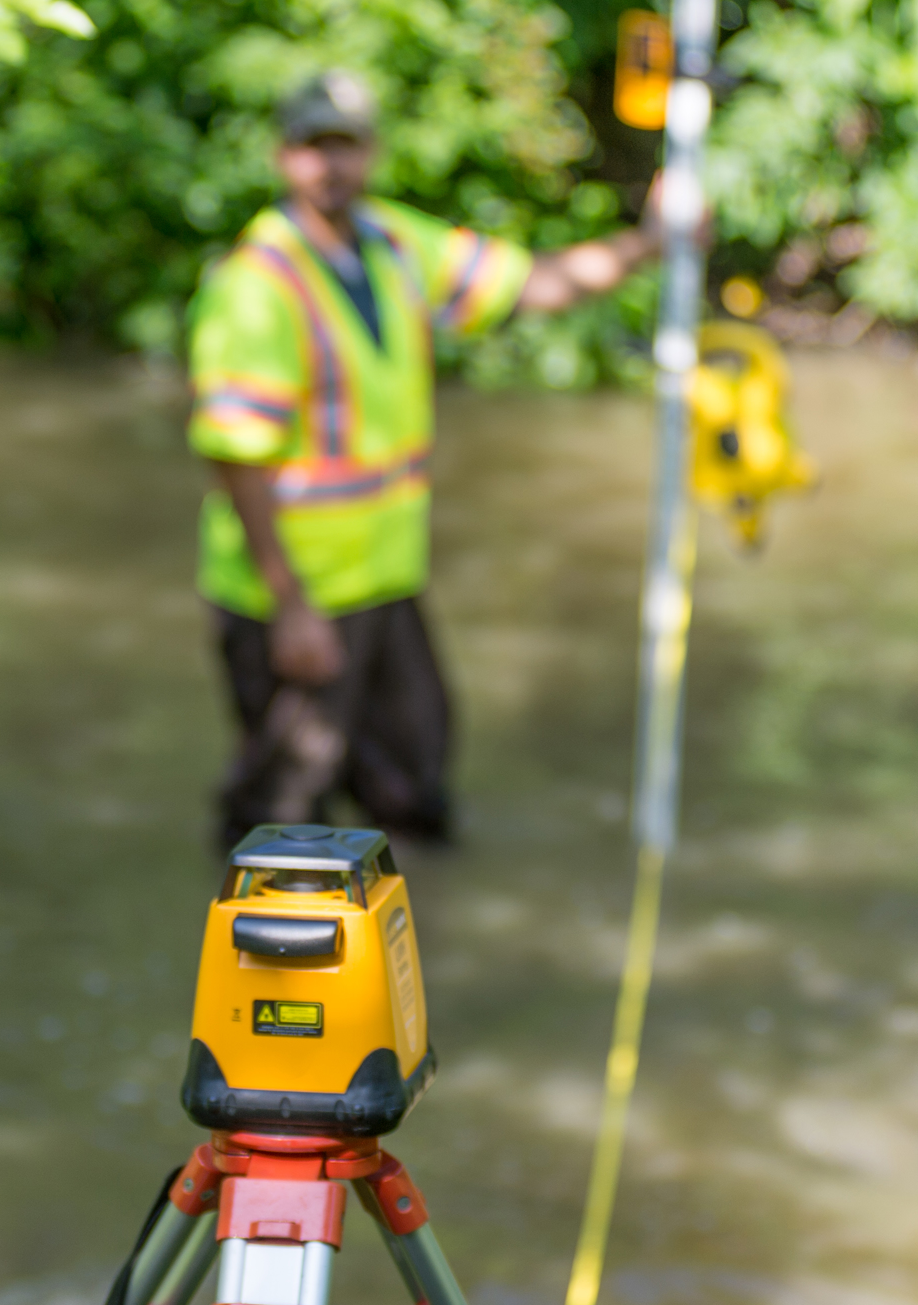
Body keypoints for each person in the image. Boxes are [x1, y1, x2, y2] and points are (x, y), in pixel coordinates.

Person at [190, 70, 671, 847]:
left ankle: (416, 945)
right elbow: (237, 455)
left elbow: (535, 285)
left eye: (345, 146)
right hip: (291, 590)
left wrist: (651, 241)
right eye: (314, 148)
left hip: (385, 578)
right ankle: (265, 964)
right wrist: (291, 605)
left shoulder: (394, 246)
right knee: (282, 811)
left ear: (372, 153)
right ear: (285, 159)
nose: (331, 166)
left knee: (414, 777)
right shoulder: (257, 284)